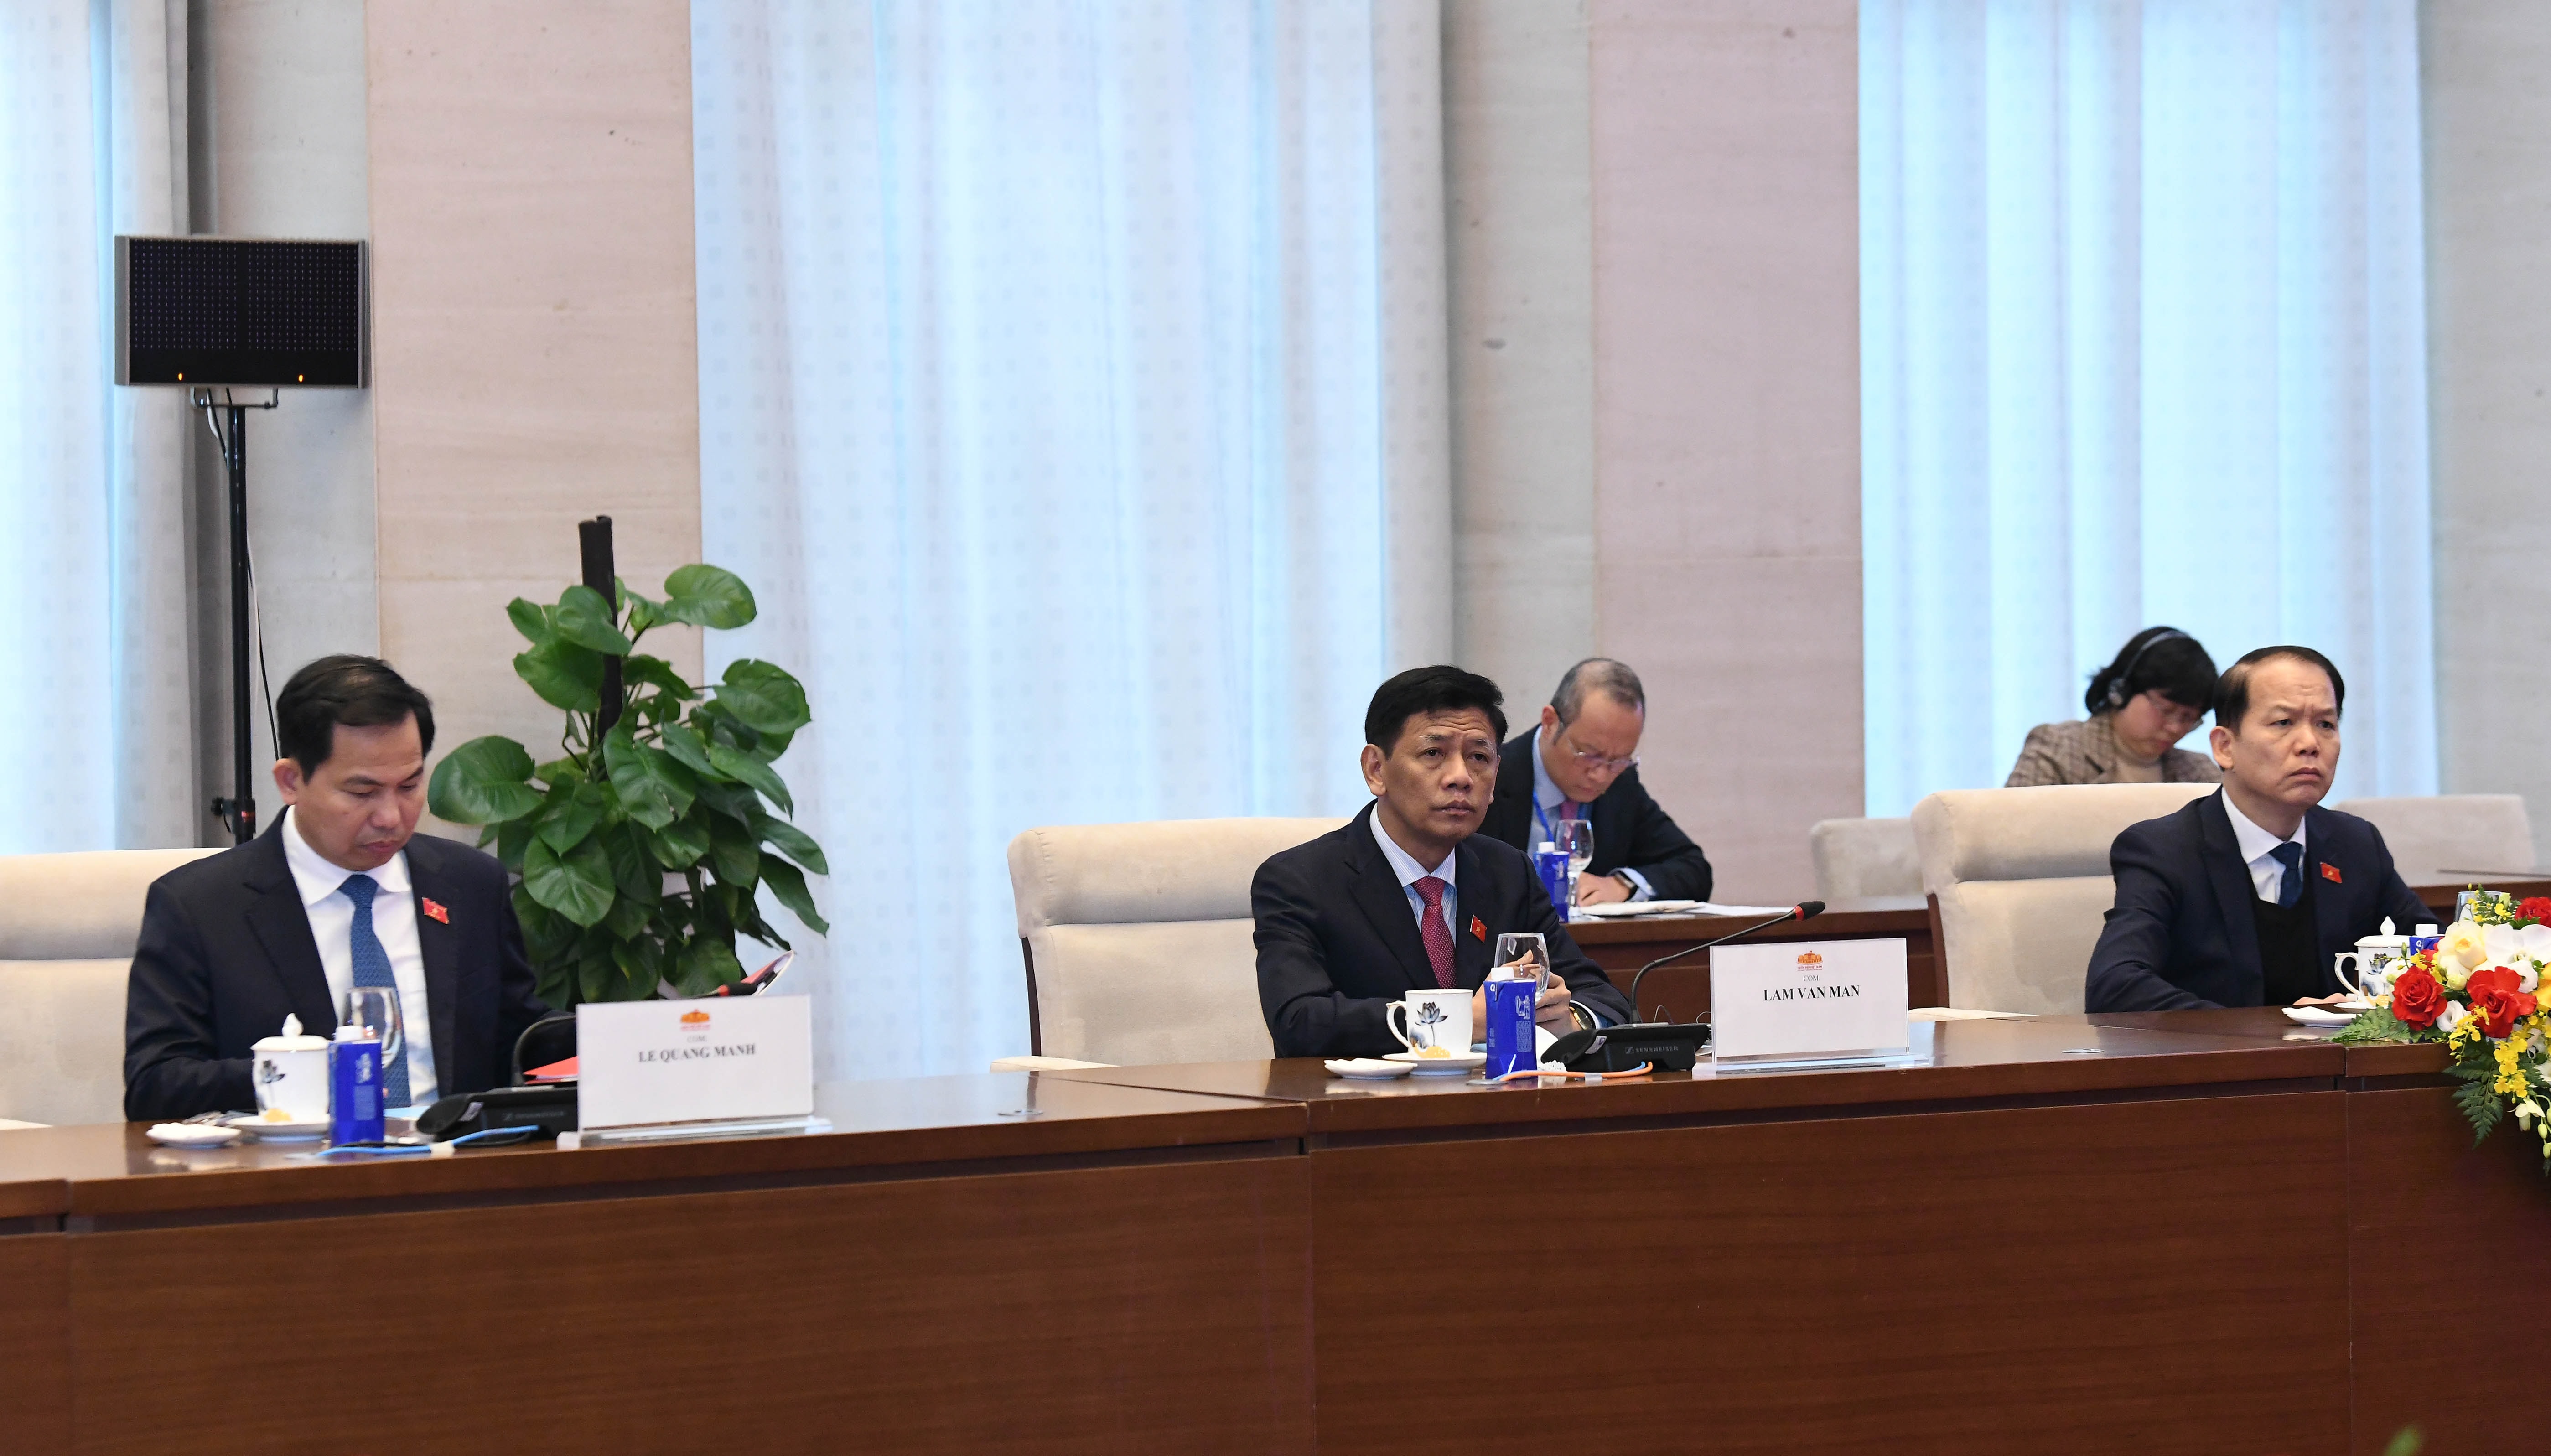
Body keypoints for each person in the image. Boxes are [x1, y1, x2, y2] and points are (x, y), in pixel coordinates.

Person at [124, 655, 547, 1121]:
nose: (391, 816)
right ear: (291, 781)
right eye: (362, 793)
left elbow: (522, 1037)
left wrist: (602, 1041)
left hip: (458, 1156)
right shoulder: (200, 906)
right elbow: (155, 1084)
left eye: (409, 786)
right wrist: (298, 1071)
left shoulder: (470, 884)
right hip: (293, 1161)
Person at [1253, 666, 1635, 1058]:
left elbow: (1605, 1000)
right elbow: (1300, 1022)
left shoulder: (1509, 874)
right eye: (1434, 753)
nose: (1461, 777)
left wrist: (1570, 1022)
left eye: (1479, 757)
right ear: (1376, 769)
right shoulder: (1299, 881)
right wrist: (1464, 1020)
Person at [2084, 646, 2427, 1012]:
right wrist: (2268, 1031)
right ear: (2225, 746)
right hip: (2220, 1050)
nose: (2310, 744)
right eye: (2284, 722)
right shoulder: (2164, 851)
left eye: (2326, 724)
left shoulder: (2355, 843)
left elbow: (2435, 955)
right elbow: (2115, 986)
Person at [1477, 658, 1712, 905]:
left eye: (1619, 760)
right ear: (1550, 723)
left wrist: (1622, 885)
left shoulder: (1622, 785)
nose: (1601, 776)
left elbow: (1693, 868)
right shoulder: (1491, 778)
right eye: (1589, 755)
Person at [2005, 627, 2222, 787]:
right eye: (2166, 710)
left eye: (2187, 718)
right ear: (2121, 691)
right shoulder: (2058, 751)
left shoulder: (2198, 772)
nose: (2175, 728)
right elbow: (2014, 828)